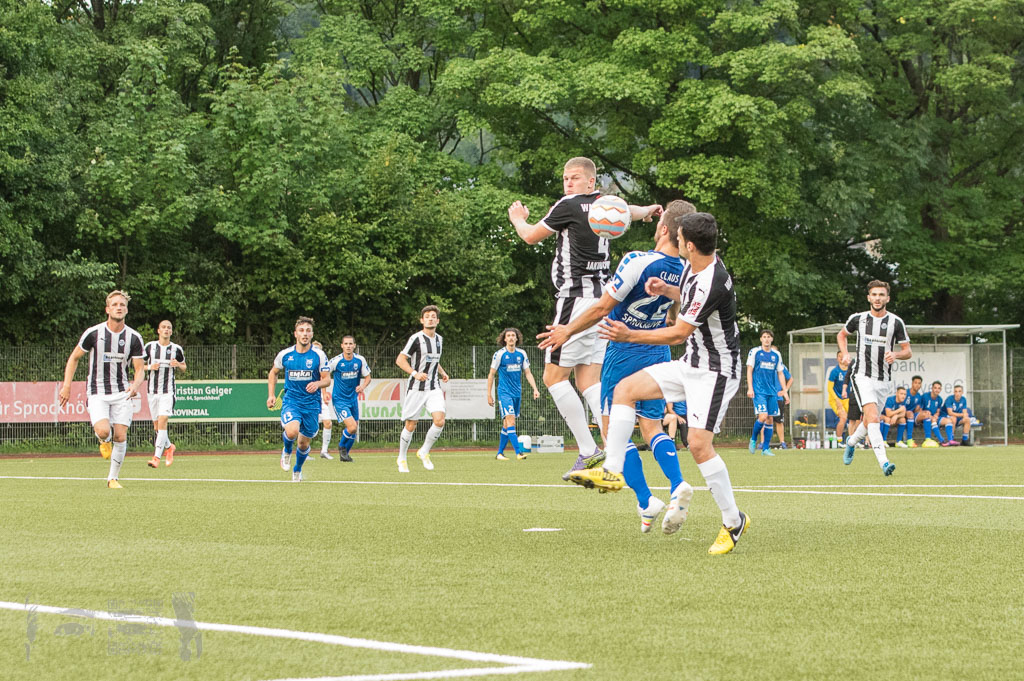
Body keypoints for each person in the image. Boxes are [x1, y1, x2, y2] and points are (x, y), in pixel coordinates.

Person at [568, 212, 749, 555]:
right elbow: (689, 294)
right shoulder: (698, 265)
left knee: (698, 444)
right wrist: (668, 289)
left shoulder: (713, 278)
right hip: (690, 364)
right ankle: (611, 470)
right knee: (626, 391)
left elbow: (681, 332)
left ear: (690, 245)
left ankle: (733, 519)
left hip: (716, 372)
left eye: (679, 239)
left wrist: (628, 334)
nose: (675, 242)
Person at [539, 200, 695, 535]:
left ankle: (644, 497)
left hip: (623, 350)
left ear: (663, 228)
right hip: (658, 351)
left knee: (613, 431)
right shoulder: (685, 271)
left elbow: (601, 308)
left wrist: (567, 330)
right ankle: (676, 484)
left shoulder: (637, 261)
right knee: (652, 427)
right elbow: (679, 309)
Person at [508, 156, 662, 480]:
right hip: (603, 301)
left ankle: (588, 449)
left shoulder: (569, 205)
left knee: (552, 378)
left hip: (574, 300)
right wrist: (649, 210)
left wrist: (518, 219)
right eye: (565, 178)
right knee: (588, 382)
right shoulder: (609, 205)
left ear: (590, 182)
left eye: (575, 178)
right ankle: (612, 442)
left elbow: (530, 236)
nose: (568, 183)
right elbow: (627, 211)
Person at [58, 290, 146, 489]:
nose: (118, 307)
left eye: (122, 305)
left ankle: (112, 479)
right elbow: (74, 358)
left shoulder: (134, 338)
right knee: (104, 430)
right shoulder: (94, 333)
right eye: (115, 304)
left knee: (121, 436)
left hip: (122, 392)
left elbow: (140, 369)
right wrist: (66, 386)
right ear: (108, 309)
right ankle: (103, 439)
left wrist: (136, 384)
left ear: (127, 309)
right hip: (97, 391)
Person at [838, 280, 912, 475]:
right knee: (872, 417)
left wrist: (895, 354)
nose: (877, 298)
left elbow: (908, 351)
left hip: (884, 379)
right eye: (874, 294)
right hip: (861, 375)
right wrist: (845, 353)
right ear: (868, 297)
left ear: (887, 298)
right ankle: (884, 462)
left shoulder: (896, 322)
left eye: (881, 295)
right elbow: (841, 335)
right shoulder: (858, 319)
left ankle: (851, 441)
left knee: (871, 420)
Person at [267, 317, 330, 482]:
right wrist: (271, 395)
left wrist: (317, 383)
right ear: (295, 334)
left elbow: (327, 379)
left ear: (312, 334)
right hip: (292, 401)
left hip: (311, 405)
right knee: (292, 431)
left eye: (308, 331)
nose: (305, 334)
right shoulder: (285, 355)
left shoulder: (319, 355)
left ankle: (297, 469)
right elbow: (273, 372)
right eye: (301, 331)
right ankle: (286, 451)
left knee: (303, 444)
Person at [395, 305, 450, 473]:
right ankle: (402, 457)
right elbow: (400, 359)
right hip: (416, 388)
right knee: (411, 424)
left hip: (433, 387)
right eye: (427, 316)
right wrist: (414, 373)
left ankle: (424, 451)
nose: (430, 319)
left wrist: (442, 372)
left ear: (438, 320)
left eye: (433, 316)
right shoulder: (416, 339)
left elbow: (433, 359)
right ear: (422, 320)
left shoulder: (439, 339)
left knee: (440, 420)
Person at [487, 328, 540, 461]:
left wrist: (535, 389)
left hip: (517, 393)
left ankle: (499, 453)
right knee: (511, 420)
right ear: (504, 339)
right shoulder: (499, 354)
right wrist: (489, 394)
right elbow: (491, 374)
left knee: (507, 424)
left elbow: (527, 372)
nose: (511, 338)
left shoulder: (521, 354)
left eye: (513, 336)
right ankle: (518, 452)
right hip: (504, 393)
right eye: (508, 336)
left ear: (517, 338)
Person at [143, 320, 187, 469]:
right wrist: (149, 367)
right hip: (152, 392)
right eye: (164, 327)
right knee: (157, 426)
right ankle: (169, 447)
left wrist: (178, 365)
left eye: (169, 328)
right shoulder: (149, 347)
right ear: (158, 330)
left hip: (168, 391)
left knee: (163, 420)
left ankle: (156, 457)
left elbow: (184, 367)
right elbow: (137, 365)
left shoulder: (176, 349)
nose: (166, 330)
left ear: (171, 332)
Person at [327, 335, 372, 462]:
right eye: (345, 344)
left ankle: (345, 454)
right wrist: (324, 392)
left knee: (354, 427)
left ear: (354, 345)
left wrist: (362, 386)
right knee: (351, 427)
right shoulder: (336, 361)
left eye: (350, 344)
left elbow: (368, 377)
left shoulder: (359, 360)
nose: (348, 346)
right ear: (342, 346)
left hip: (353, 399)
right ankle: (341, 446)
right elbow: (323, 375)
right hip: (340, 399)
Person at [746, 330, 789, 456]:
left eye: (768, 337)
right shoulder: (755, 352)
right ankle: (753, 439)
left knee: (770, 419)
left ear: (772, 339)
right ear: (761, 339)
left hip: (772, 392)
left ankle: (765, 449)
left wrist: (785, 391)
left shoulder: (776, 355)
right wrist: (750, 388)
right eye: (764, 337)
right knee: (763, 416)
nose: (766, 339)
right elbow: (749, 370)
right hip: (759, 391)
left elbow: (780, 373)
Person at [312, 341, 335, 460]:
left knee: (328, 423)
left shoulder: (322, 362)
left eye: (319, 349)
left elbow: (324, 378)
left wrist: (325, 394)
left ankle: (324, 451)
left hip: (320, 397)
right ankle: (304, 451)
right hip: (309, 397)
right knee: (308, 426)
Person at [826, 351, 850, 445]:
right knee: (843, 417)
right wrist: (837, 400)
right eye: (839, 356)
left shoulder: (850, 370)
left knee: (856, 419)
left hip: (847, 399)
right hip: (835, 399)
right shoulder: (834, 371)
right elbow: (829, 388)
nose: (841, 358)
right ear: (837, 359)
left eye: (842, 356)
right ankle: (839, 441)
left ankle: (854, 440)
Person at [916, 381, 945, 447]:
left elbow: (938, 411)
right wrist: (926, 412)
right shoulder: (925, 396)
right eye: (935, 388)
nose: (937, 390)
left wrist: (936, 415)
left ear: (940, 390)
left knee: (948, 421)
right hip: (921, 416)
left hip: (931, 418)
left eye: (938, 388)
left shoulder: (940, 399)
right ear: (932, 388)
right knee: (927, 416)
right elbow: (919, 410)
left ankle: (946, 440)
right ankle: (929, 439)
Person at [774, 352, 793, 449]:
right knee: (764, 419)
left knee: (779, 421)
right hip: (766, 396)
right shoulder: (762, 365)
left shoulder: (781, 367)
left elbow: (790, 379)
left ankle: (782, 442)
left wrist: (785, 391)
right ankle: (763, 442)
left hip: (778, 397)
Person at [903, 375, 924, 447]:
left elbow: (917, 409)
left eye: (919, 383)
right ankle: (909, 439)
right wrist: (905, 412)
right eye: (915, 383)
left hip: (911, 416)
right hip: (901, 414)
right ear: (912, 383)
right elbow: (899, 405)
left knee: (926, 415)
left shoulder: (919, 396)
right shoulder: (905, 393)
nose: (917, 385)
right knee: (910, 413)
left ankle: (928, 439)